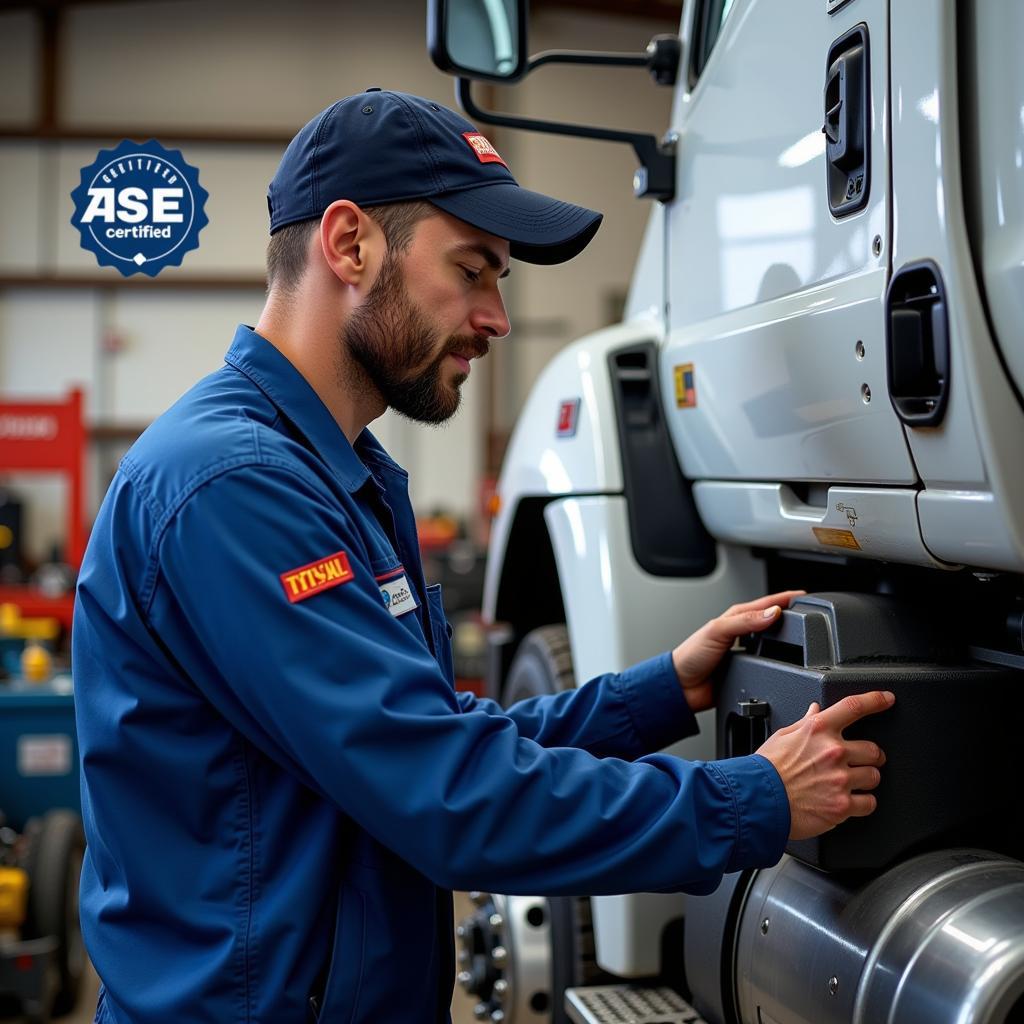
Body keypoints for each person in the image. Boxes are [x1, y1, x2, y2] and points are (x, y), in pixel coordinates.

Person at [72, 90, 893, 1024]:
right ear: (349, 246)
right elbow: (448, 796)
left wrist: (656, 692)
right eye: (472, 271)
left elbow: (419, 737)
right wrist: (752, 800)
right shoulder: (234, 487)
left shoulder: (340, 473)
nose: (496, 319)